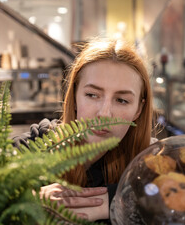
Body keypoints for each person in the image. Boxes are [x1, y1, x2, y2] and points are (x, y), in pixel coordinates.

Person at [13, 37, 155, 223]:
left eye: (121, 100)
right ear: (74, 97)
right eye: (92, 95)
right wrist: (24, 202)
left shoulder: (152, 161)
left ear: (138, 109)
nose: (104, 114)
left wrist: (119, 201)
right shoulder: (34, 147)